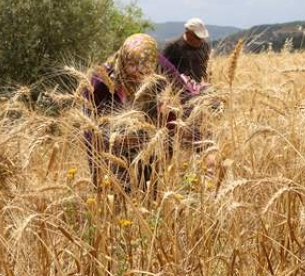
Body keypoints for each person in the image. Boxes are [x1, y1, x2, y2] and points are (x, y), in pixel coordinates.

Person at [83, 33, 188, 192]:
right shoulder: (101, 81)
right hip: (112, 145)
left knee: (148, 187)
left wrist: (170, 110)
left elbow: (185, 95)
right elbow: (90, 126)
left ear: (154, 62)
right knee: (116, 191)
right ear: (124, 60)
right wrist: (101, 162)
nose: (138, 71)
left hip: (149, 139)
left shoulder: (160, 65)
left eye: (145, 67)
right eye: (132, 64)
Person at [162, 17, 211, 82]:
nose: (200, 41)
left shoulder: (205, 46)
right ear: (188, 33)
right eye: (197, 37)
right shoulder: (173, 46)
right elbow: (161, 69)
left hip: (198, 88)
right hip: (176, 89)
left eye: (202, 38)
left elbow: (204, 68)